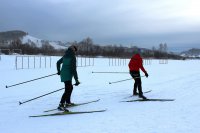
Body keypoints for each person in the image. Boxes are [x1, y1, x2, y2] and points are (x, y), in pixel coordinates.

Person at [57, 45, 80, 111]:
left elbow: (58, 63)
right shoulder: (73, 57)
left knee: (70, 88)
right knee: (68, 89)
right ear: (74, 50)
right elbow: (74, 69)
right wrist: (77, 80)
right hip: (68, 75)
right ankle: (61, 104)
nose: (75, 52)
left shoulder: (65, 55)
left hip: (63, 74)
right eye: (75, 51)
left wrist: (59, 71)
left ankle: (68, 102)